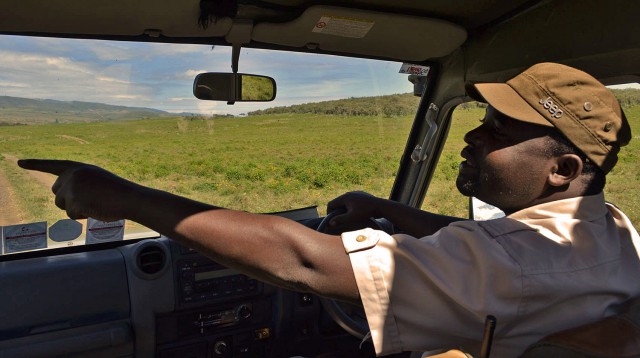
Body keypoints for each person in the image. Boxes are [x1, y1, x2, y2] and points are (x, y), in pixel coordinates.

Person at [18, 62, 640, 357]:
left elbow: (303, 262)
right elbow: (490, 249)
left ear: (562, 170)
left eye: (498, 132)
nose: (473, 138)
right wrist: (384, 208)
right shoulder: (608, 230)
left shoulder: (509, 265)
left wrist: (117, 196)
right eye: (477, 123)